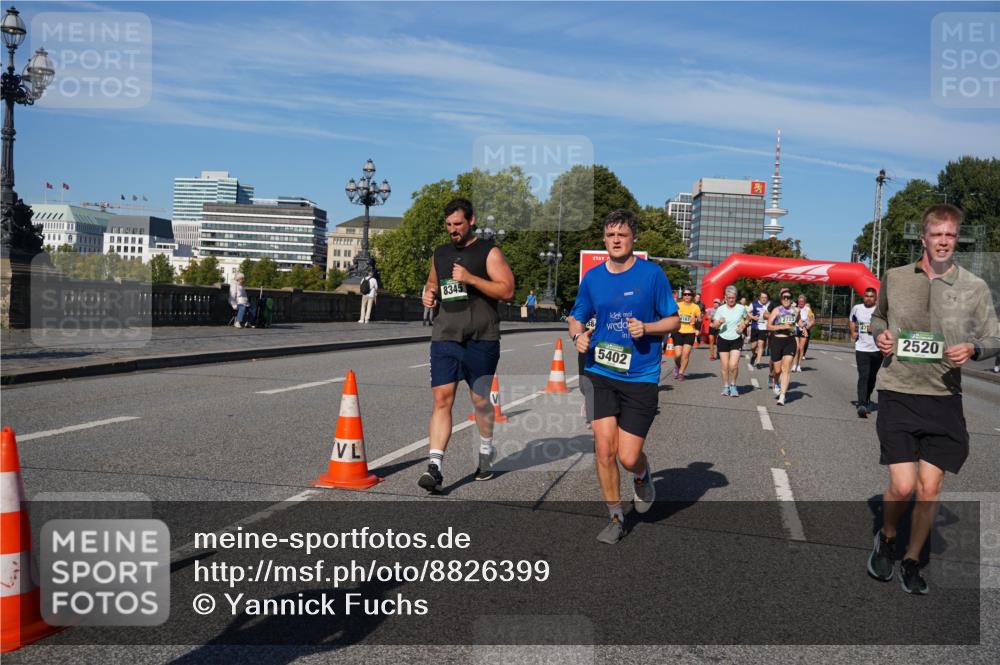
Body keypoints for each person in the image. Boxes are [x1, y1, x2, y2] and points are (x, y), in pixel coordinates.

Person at [866, 203, 999, 595]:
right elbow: (878, 318)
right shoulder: (895, 277)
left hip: (943, 397)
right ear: (922, 237)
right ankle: (888, 536)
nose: (943, 242)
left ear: (957, 239)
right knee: (904, 487)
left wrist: (973, 349)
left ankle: (911, 560)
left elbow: (994, 336)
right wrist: (880, 336)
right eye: (936, 234)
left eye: (950, 236)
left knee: (929, 489)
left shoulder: (973, 286)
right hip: (899, 390)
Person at [569, 209, 679, 545]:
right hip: (601, 371)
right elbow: (576, 316)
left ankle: (643, 474)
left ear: (633, 239)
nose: (616, 240)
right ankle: (616, 517)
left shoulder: (652, 275)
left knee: (628, 456)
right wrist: (578, 336)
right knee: (604, 449)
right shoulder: (593, 278)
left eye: (623, 235)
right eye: (610, 235)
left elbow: (673, 321)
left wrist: (647, 327)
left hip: (641, 376)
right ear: (604, 239)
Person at [418, 198, 515, 493]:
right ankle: (434, 467)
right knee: (442, 399)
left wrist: (471, 278)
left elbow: (508, 290)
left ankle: (486, 452)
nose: (452, 230)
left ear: (471, 220)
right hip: (446, 334)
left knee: (480, 401)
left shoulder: (489, 251)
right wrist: (428, 294)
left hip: (482, 337)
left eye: (457, 224)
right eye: (448, 225)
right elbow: (432, 283)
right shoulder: (441, 253)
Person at [712, 285, 749, 397]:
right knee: (724, 365)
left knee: (733, 365)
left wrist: (743, 325)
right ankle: (725, 386)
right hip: (723, 338)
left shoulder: (741, 308)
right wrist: (719, 322)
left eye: (733, 297)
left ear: (736, 297)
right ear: (725, 297)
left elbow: (747, 318)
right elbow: (714, 325)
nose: (731, 300)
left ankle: (733, 385)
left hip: (736, 338)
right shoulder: (720, 309)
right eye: (729, 297)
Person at [850, 287, 881, 418]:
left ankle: (867, 398)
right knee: (863, 376)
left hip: (877, 349)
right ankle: (862, 404)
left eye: (871, 296)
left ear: (876, 298)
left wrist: (874, 328)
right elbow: (852, 319)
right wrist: (853, 332)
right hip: (862, 348)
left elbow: (888, 324)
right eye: (866, 296)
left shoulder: (880, 310)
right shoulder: (857, 308)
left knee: (872, 378)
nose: (868, 298)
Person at [767, 289, 798, 405]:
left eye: (788, 297)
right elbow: (769, 326)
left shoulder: (795, 311)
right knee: (777, 370)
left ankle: (782, 396)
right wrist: (781, 327)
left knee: (786, 368)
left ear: (791, 300)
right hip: (777, 340)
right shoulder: (777, 310)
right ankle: (775, 381)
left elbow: (799, 322)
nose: (786, 299)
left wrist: (804, 327)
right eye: (784, 297)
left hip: (790, 340)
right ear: (781, 299)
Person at [672, 288, 701, 381]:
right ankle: (678, 366)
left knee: (686, 354)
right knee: (677, 354)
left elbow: (700, 319)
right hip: (678, 332)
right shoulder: (677, 305)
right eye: (685, 294)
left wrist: (696, 320)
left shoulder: (695, 307)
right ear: (683, 296)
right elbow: (671, 316)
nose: (687, 296)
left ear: (692, 296)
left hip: (690, 332)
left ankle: (681, 373)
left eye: (689, 294)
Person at [749, 291, 770, 369]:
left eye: (765, 298)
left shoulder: (769, 305)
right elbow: (748, 312)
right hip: (755, 327)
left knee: (761, 344)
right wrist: (752, 317)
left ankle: (758, 362)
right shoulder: (754, 304)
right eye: (762, 297)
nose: (764, 299)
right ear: (759, 298)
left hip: (764, 328)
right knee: (753, 346)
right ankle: (754, 354)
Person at [793, 294, 814, 371]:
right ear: (798, 301)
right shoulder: (794, 308)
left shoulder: (808, 309)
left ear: (805, 302)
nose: (801, 303)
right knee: (796, 348)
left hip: (804, 330)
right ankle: (794, 365)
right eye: (800, 301)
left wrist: (808, 327)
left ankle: (799, 365)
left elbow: (812, 320)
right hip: (795, 328)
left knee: (801, 348)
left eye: (803, 301)